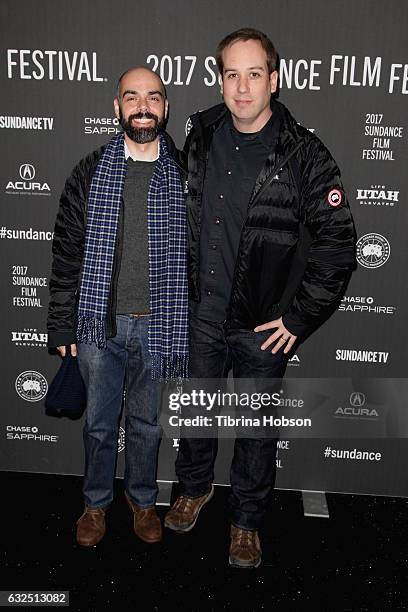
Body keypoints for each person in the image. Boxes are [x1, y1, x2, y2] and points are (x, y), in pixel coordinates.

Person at [164, 29, 356, 568]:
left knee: (255, 430)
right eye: (232, 74)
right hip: (203, 315)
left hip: (261, 327)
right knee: (197, 417)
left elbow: (339, 242)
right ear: (220, 80)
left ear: (274, 80)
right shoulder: (200, 134)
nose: (242, 87)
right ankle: (194, 489)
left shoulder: (304, 153)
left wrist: (298, 317)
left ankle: (246, 519)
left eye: (254, 74)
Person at [47, 67, 188, 547]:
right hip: (98, 326)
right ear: (117, 107)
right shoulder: (90, 171)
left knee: (147, 426)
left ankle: (144, 501)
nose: (143, 106)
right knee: (100, 425)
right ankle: (95, 504)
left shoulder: (186, 176)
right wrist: (63, 325)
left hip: (160, 325)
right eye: (132, 97)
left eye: (153, 97)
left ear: (165, 108)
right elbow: (67, 253)